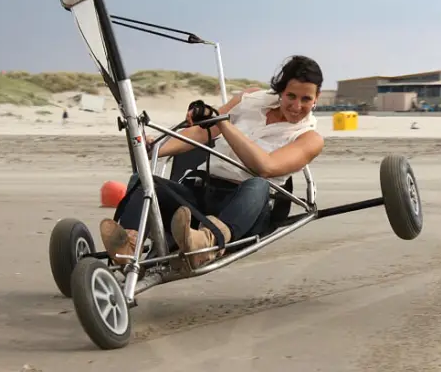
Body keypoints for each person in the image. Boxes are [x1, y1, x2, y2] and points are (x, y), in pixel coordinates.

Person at [99, 55, 325, 268]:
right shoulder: (251, 99)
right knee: (142, 181)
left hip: (243, 208)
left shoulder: (310, 138)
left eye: (306, 99)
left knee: (258, 184)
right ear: (281, 91)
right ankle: (129, 247)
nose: (297, 106)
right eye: (291, 96)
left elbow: (266, 167)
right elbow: (201, 132)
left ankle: (205, 243)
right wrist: (156, 148)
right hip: (200, 192)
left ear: (317, 98)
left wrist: (222, 123)